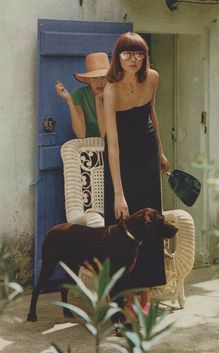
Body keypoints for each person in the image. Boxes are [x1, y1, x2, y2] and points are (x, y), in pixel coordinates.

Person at [103, 32, 170, 312]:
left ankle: (145, 294)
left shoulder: (152, 78)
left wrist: (161, 152)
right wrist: (119, 193)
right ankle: (123, 299)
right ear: (117, 56)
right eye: (127, 53)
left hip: (147, 157)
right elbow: (113, 144)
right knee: (123, 230)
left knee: (151, 224)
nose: (134, 59)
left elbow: (152, 114)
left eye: (139, 53)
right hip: (123, 161)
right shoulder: (110, 89)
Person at [55, 52, 110, 138]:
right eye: (94, 78)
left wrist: (98, 100)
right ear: (88, 79)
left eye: (103, 77)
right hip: (90, 148)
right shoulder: (79, 94)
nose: (99, 82)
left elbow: (105, 135)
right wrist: (69, 100)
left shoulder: (115, 94)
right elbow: (81, 134)